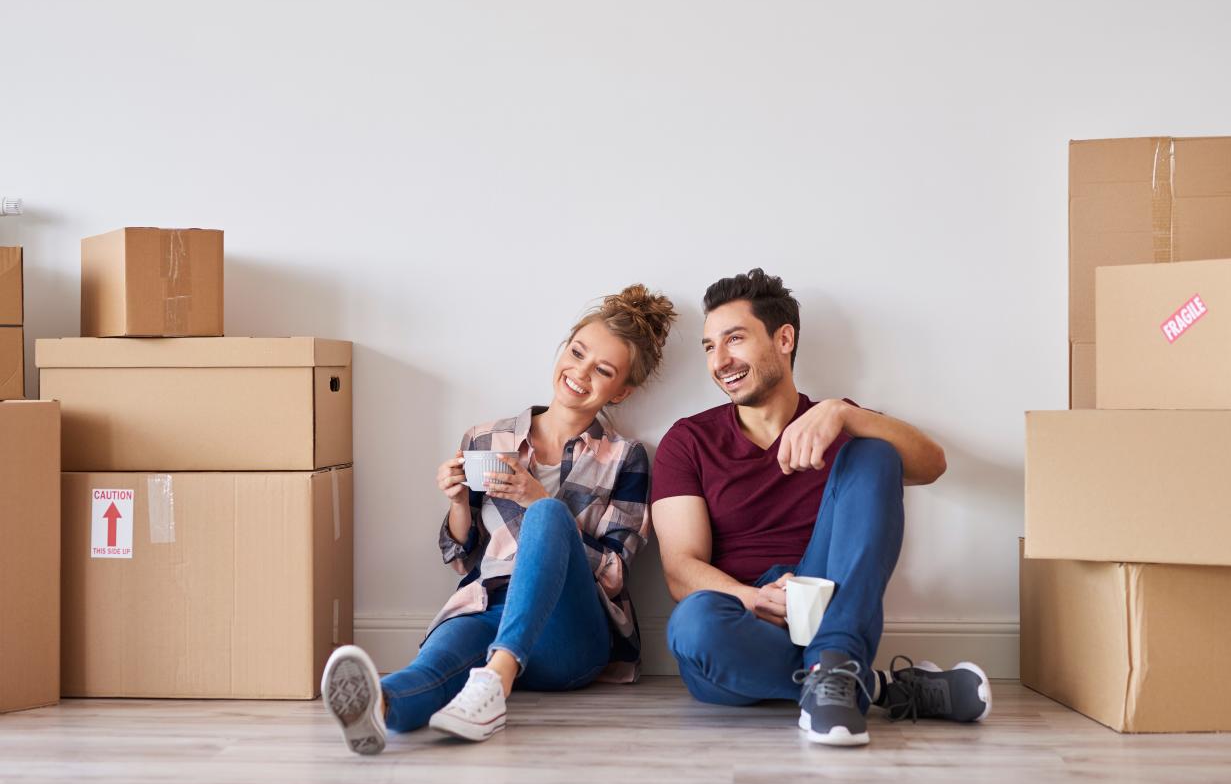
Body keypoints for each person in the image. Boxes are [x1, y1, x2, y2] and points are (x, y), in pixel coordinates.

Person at [322, 285, 676, 755]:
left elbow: (612, 576)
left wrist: (538, 499)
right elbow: (461, 558)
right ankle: (380, 710)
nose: (580, 373)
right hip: (488, 606)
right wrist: (457, 502)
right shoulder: (486, 438)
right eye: (577, 353)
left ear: (622, 390)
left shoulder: (626, 458)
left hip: (570, 635)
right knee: (434, 666)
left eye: (603, 370)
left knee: (548, 514)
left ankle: (496, 678)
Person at [653, 269, 990, 747]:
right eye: (709, 346)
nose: (720, 360)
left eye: (734, 339)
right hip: (745, 620)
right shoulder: (688, 441)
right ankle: (872, 685)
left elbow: (932, 465)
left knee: (875, 451)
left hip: (831, 603)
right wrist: (751, 597)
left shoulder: (835, 423)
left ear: (784, 338)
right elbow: (680, 569)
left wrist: (846, 413)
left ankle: (834, 659)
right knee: (693, 625)